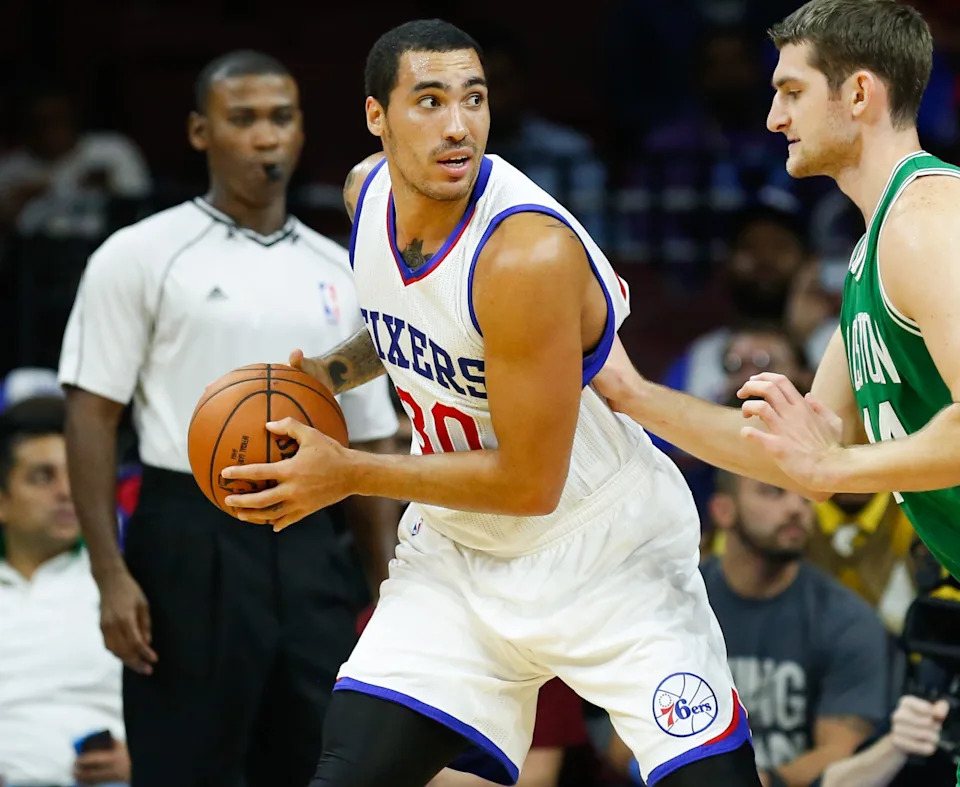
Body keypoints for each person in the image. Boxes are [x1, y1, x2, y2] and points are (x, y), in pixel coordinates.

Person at [222, 19, 759, 787]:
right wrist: (329, 376)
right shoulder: (365, 194)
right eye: (430, 101)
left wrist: (347, 471)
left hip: (602, 552)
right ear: (378, 117)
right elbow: (421, 323)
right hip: (460, 559)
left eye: (472, 100)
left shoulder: (526, 253)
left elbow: (527, 484)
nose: (457, 126)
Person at [58, 50, 399, 787]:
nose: (265, 136)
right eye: (242, 119)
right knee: (186, 764)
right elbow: (91, 413)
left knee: (318, 763)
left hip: (313, 535)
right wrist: (109, 574)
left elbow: (372, 434)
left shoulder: (343, 270)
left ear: (302, 130)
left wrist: (386, 584)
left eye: (281, 118)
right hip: (188, 532)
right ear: (199, 131)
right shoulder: (140, 254)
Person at [593, 0, 960, 626]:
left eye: (792, 91)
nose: (773, 118)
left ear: (859, 94)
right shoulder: (874, 247)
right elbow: (804, 458)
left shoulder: (925, 222)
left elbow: (832, 461)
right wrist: (634, 395)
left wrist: (836, 462)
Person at [0, 397, 130, 787]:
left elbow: (191, 707)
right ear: (2, 500)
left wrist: (144, 754)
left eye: (75, 473)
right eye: (43, 476)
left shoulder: (125, 587)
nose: (66, 492)